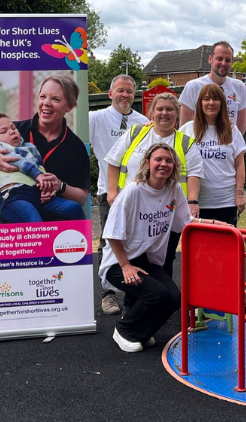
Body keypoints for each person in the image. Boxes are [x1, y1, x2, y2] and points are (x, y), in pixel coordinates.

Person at [99, 144, 190, 352]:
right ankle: (124, 330)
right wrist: (125, 266)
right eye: (159, 159)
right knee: (157, 294)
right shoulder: (133, 191)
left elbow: (186, 221)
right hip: (119, 262)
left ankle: (141, 331)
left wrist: (213, 223)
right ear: (147, 162)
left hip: (147, 260)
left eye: (169, 161)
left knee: (174, 298)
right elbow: (112, 233)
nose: (164, 164)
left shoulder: (174, 190)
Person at [105, 92, 203, 278]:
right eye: (160, 109)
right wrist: (112, 192)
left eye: (169, 109)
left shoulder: (185, 142)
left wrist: (192, 201)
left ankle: (163, 298)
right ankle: (137, 297)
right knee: (133, 256)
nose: (164, 113)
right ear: (152, 113)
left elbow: (194, 174)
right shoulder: (135, 133)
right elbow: (114, 162)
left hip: (166, 213)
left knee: (164, 258)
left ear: (177, 114)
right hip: (134, 211)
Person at [0, 75, 91, 224]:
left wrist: (60, 186)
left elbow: (82, 198)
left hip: (47, 205)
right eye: (42, 96)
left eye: (55, 99)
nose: (46, 103)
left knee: (71, 210)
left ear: (69, 107)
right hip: (12, 202)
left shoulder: (75, 146)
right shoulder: (13, 130)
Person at [89, 74, 149, 315]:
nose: (125, 95)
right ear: (110, 93)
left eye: (130, 92)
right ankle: (108, 293)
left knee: (137, 242)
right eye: (120, 91)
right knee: (108, 240)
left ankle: (134, 293)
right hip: (109, 192)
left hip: (137, 193)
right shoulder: (96, 118)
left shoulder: (143, 121)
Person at [0, 111, 84, 223]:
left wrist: (45, 187)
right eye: (3, 131)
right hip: (12, 197)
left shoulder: (28, 148)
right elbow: (16, 160)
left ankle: (79, 240)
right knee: (34, 222)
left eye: (13, 128)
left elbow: (40, 167)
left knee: (73, 208)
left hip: (36, 194)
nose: (12, 132)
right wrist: (38, 175)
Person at [180, 84, 246, 226]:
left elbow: (240, 165)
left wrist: (239, 193)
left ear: (222, 103)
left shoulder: (232, 130)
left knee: (225, 245)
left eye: (216, 99)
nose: (211, 103)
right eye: (206, 99)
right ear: (200, 103)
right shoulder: (187, 129)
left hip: (225, 200)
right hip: (197, 201)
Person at [179, 41, 246, 133]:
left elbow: (240, 129)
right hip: (200, 145)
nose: (223, 63)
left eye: (228, 60)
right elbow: (184, 128)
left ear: (232, 62)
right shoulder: (193, 86)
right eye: (219, 59)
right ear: (210, 59)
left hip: (229, 144)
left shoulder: (239, 87)